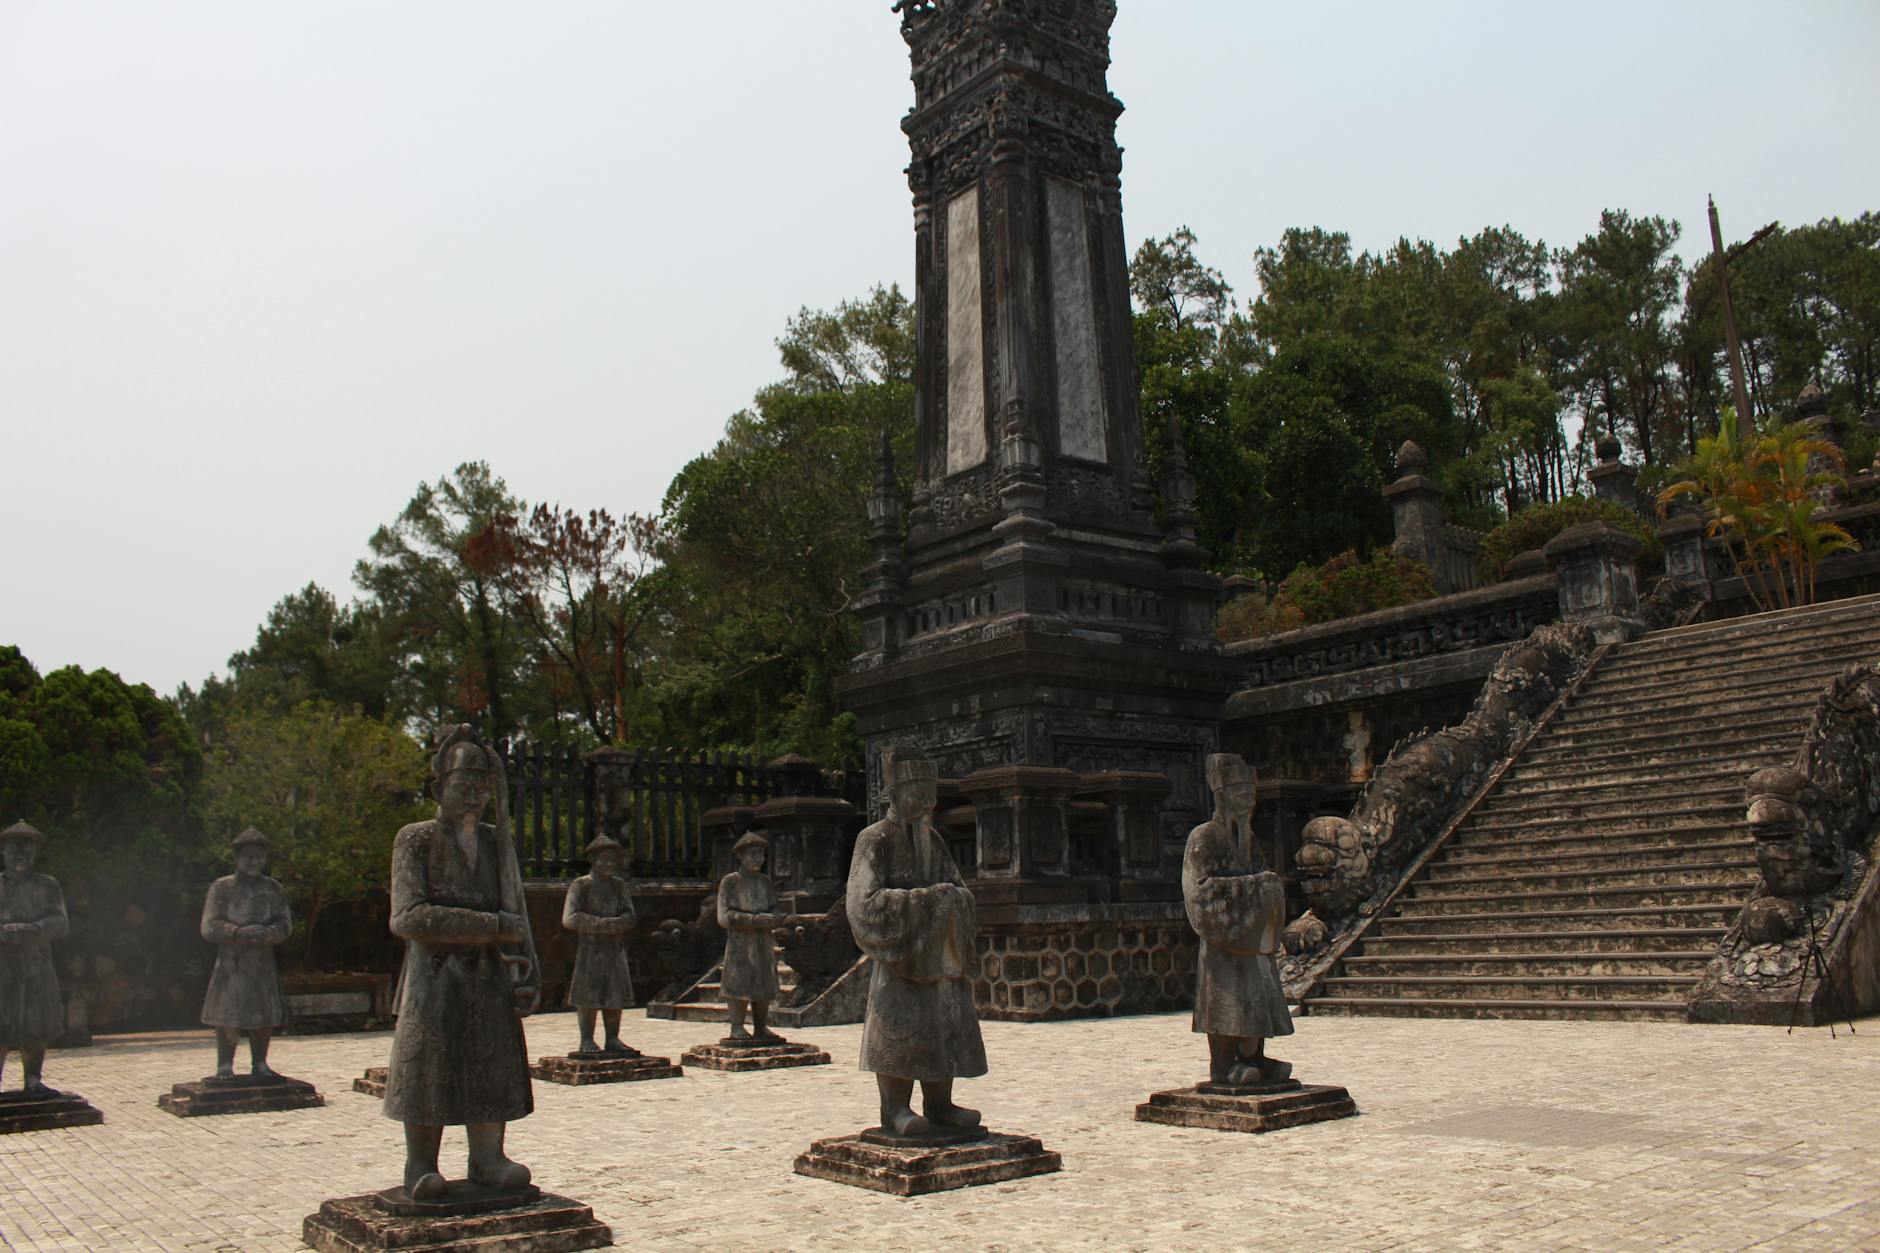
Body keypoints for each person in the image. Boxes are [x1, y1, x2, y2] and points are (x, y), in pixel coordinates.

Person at [383, 726, 540, 1200]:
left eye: (481, 786)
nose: (473, 795)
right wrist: (491, 924)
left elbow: (520, 917)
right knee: (430, 1067)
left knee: (490, 1065)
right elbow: (408, 916)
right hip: (434, 978)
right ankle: (421, 1163)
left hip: (489, 977)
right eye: (462, 785)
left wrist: (529, 968)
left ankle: (488, 1158)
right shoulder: (415, 840)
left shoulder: (499, 844)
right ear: (438, 788)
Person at [847, 750, 986, 1137]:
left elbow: (959, 890)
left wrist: (951, 901)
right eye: (916, 792)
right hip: (899, 958)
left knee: (943, 1027)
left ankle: (940, 1104)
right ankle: (894, 1109)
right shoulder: (874, 839)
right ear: (894, 792)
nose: (925, 801)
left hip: (938, 956)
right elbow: (862, 905)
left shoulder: (934, 841)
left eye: (931, 793)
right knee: (899, 1029)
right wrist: (928, 903)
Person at [1183, 753, 1292, 1087]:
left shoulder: (1247, 840)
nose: (1248, 803)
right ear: (1224, 796)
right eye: (1241, 796)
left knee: (1256, 993)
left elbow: (1260, 872)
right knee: (1226, 999)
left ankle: (1253, 1055)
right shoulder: (1204, 837)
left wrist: (1265, 888)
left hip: (1251, 934)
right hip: (1224, 940)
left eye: (1251, 796)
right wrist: (1258, 887)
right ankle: (1223, 1065)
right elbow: (1200, 890)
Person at [199, 827, 291, 1079]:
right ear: (237, 858)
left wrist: (270, 933)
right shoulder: (222, 888)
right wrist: (237, 932)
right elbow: (209, 926)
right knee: (228, 1014)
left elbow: (285, 923)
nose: (255, 861)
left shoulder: (273, 889)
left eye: (260, 856)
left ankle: (260, 1063)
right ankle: (225, 1065)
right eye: (249, 856)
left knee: (264, 1015)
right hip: (231, 962)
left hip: (262, 961)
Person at [0, 821, 66, 1095]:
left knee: (37, 1023)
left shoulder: (48, 885)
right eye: (14, 848)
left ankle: (33, 1079)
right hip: (2, 966)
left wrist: (35, 928)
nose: (20, 855)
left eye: (27, 849)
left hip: (36, 964)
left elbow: (60, 922)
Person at [561, 834, 637, 1055]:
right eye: (604, 859)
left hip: (614, 948)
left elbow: (630, 914)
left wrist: (620, 922)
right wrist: (600, 924)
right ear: (593, 860)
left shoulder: (619, 886)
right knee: (588, 992)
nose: (609, 863)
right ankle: (587, 1038)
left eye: (613, 858)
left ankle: (613, 1038)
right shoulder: (581, 885)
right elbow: (569, 918)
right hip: (590, 948)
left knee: (614, 991)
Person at [716, 831, 794, 1043]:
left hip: (763, 940)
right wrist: (752, 920)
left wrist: (775, 918)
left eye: (760, 854)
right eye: (752, 853)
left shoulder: (765, 882)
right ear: (740, 856)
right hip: (740, 941)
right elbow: (724, 916)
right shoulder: (730, 882)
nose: (757, 858)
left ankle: (761, 1026)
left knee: (763, 982)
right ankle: (737, 1026)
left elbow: (774, 908)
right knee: (738, 982)